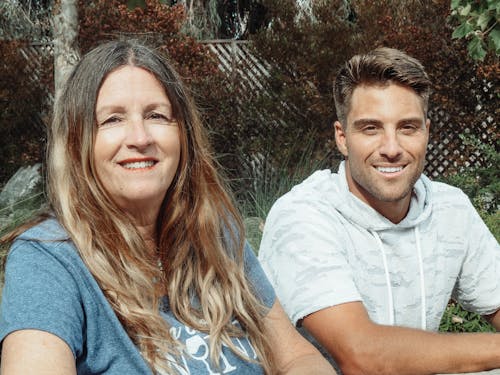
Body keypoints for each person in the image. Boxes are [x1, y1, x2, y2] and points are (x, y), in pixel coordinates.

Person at [0, 39, 337, 375]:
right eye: (113, 119)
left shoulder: (217, 235)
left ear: (183, 134)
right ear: (78, 142)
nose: (140, 137)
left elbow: (296, 356)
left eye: (156, 115)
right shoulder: (48, 259)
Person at [258, 47, 500, 375]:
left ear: (427, 132)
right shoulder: (303, 215)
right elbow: (363, 356)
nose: (391, 148)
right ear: (342, 138)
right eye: (371, 128)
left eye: (408, 127)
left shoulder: (449, 208)